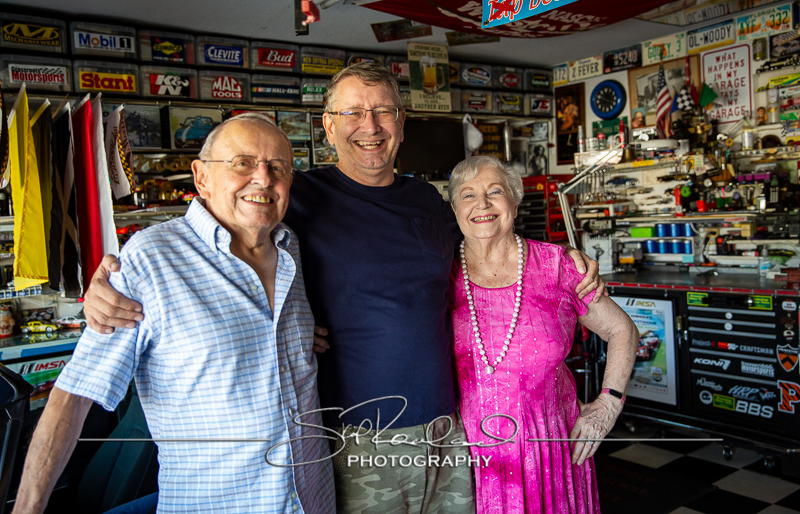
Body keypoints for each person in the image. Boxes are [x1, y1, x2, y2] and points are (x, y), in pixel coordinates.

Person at [82, 63, 604, 513]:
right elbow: (213, 233)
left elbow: (486, 244)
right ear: (328, 127)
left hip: (449, 431)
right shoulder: (294, 195)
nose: (369, 127)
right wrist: (114, 278)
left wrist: (557, 258)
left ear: (401, 125)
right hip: (357, 438)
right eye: (353, 113)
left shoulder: (427, 200)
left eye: (382, 112)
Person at [12, 114, 335, 514]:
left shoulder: (291, 249)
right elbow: (74, 395)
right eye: (242, 163)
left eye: (278, 168)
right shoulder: (150, 260)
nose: (263, 178)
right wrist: (27, 509)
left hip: (313, 500)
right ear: (201, 178)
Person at [447, 155, 638, 513]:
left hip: (550, 447)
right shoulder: (439, 272)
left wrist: (608, 405)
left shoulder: (557, 266)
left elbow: (621, 328)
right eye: (468, 195)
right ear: (455, 209)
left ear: (515, 204)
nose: (483, 204)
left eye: (495, 191)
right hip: (468, 452)